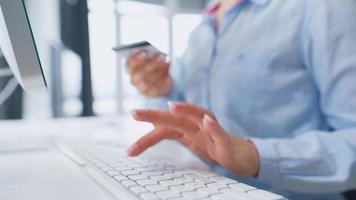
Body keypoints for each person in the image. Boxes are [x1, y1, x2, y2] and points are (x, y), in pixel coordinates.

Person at [124, 0, 356, 199]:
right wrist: (161, 90)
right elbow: (182, 117)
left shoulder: (322, 7)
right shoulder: (204, 25)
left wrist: (255, 155)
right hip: (202, 189)